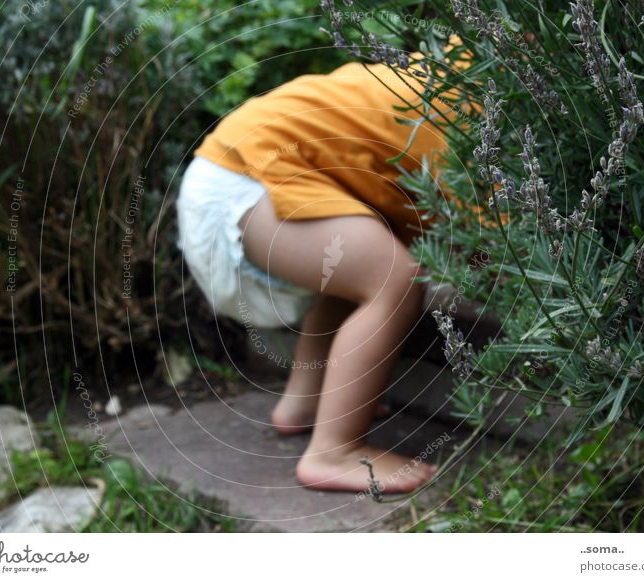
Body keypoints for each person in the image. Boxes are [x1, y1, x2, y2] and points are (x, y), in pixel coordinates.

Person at [176, 44, 472, 493]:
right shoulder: (470, 114)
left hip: (228, 175)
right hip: (244, 184)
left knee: (360, 268)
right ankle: (335, 451)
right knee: (392, 278)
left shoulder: (448, 72)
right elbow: (498, 246)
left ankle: (304, 404)